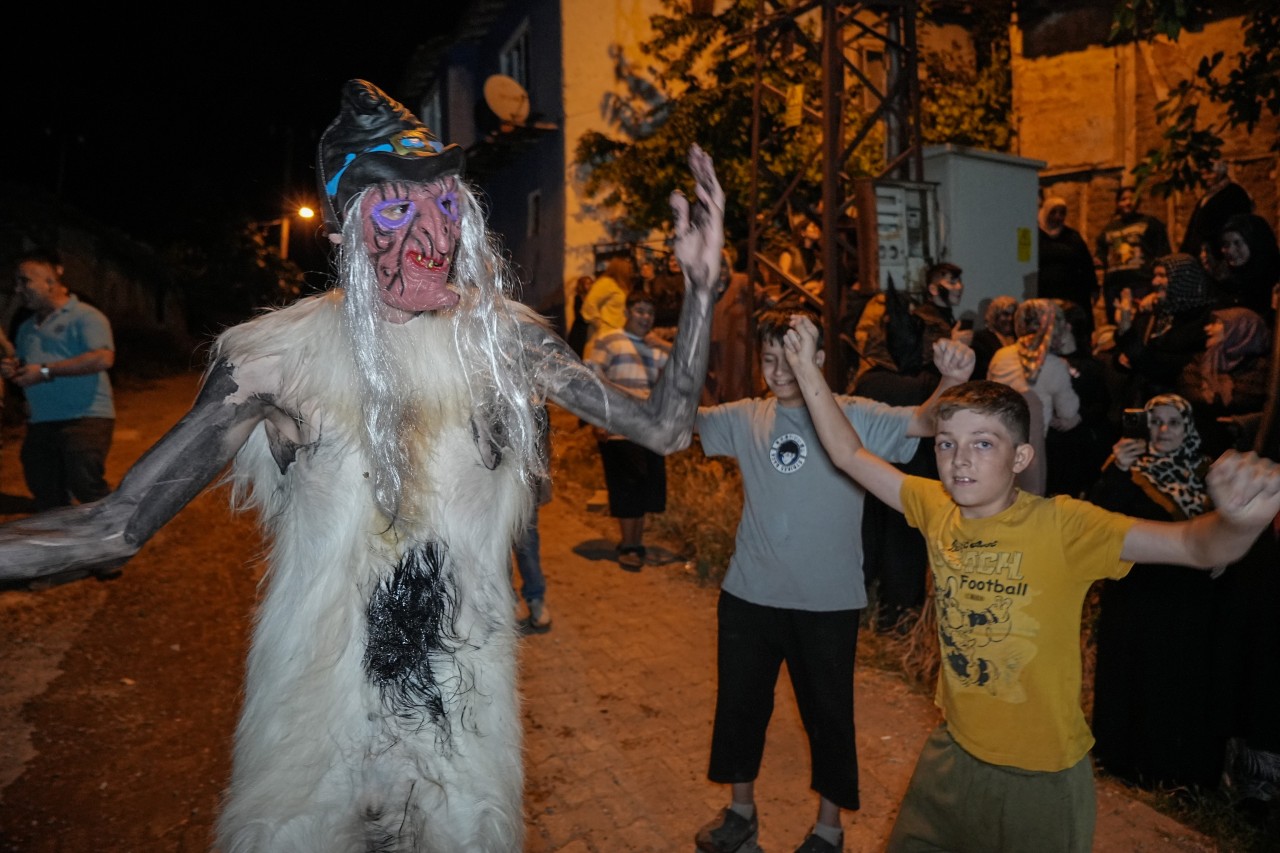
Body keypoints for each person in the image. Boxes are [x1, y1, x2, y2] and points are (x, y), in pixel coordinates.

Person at [0, 80, 727, 852]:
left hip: (461, 724)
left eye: (445, 206)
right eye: (396, 209)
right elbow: (114, 526)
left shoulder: (503, 343)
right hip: (314, 729)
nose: (432, 234)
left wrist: (703, 289)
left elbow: (664, 427)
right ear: (346, 230)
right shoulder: (275, 362)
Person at [780, 323, 1280, 853]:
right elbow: (848, 455)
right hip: (952, 755)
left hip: (1040, 779)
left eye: (983, 444)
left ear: (1021, 458)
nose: (960, 460)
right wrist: (808, 369)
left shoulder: (1065, 526)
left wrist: (1240, 522)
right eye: (947, 444)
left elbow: (1198, 548)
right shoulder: (936, 507)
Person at [691, 308, 973, 853]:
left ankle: (828, 829)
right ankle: (741, 811)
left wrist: (953, 381)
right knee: (739, 710)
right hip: (749, 595)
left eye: (791, 358)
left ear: (819, 361)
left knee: (829, 719)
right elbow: (680, 422)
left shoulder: (855, 416)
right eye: (768, 359)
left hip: (828, 601)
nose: (778, 371)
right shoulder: (746, 415)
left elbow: (925, 422)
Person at [1086, 394, 1224, 792]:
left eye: (1172, 423)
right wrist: (1116, 470)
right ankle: (1118, 762)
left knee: (1173, 682)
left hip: (1184, 603)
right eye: (1155, 422)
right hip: (1133, 596)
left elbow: (1226, 532)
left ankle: (1167, 773)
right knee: (1127, 675)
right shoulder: (1129, 468)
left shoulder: (1207, 474)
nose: (1162, 431)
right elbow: (1095, 519)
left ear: (1189, 428)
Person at [0, 247, 116, 512]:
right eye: (17, 281)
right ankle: (64, 548)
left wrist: (45, 371)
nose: (18, 289)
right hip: (41, 420)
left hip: (85, 417)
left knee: (85, 485)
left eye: (25, 281)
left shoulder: (86, 316)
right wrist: (13, 369)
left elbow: (102, 358)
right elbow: (25, 366)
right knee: (44, 488)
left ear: (50, 282)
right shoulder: (27, 327)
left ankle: (112, 539)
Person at [588, 289, 670, 570]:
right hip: (618, 428)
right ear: (626, 312)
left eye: (649, 313)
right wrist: (599, 420)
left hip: (648, 428)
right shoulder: (608, 342)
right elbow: (593, 382)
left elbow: (680, 370)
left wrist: (664, 344)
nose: (645, 318)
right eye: (640, 311)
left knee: (645, 488)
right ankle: (629, 544)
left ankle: (636, 542)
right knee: (626, 487)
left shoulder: (655, 348)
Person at [986, 298, 1081, 495]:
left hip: (993, 446)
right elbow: (1068, 412)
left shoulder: (1000, 356)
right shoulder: (1054, 365)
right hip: (1031, 455)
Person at [1112, 252, 1218, 410]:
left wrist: (1127, 333)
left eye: (1162, 275)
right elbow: (1127, 353)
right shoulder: (1156, 313)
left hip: (1174, 410)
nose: (1155, 282)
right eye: (1155, 276)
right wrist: (1121, 355)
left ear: (1182, 279)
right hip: (1142, 403)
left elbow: (1165, 367)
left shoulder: (1200, 319)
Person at [1094, 185, 1172, 324]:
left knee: (1142, 322)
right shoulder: (1109, 229)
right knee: (1117, 324)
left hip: (1141, 283)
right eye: (1123, 199)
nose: (1128, 203)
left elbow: (1163, 252)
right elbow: (1101, 254)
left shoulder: (1150, 223)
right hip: (1114, 286)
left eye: (1131, 199)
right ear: (1117, 203)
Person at [513, 405, 553, 635]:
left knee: (527, 543)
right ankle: (508, 602)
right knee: (496, 548)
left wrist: (544, 483)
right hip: (489, 489)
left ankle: (535, 600)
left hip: (524, 486)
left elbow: (543, 441)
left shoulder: (533, 400)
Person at [1178, 160, 1254, 269]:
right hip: (1202, 258)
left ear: (1221, 173)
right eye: (1203, 174)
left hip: (1219, 257)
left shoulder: (1234, 193)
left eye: (1210, 173)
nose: (1205, 178)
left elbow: (1236, 227)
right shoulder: (1208, 196)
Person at [1037, 196, 1097, 315]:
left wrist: (1093, 288)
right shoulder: (1033, 237)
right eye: (1053, 212)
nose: (1057, 217)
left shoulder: (1073, 237)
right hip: (1043, 295)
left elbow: (1086, 265)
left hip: (1072, 296)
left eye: (1062, 213)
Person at [1217, 212, 1280, 326]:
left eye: (1237, 243)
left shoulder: (1273, 281)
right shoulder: (1227, 284)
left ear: (1255, 243)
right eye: (1226, 244)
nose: (1230, 251)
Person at [580, 255, 634, 359]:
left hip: (619, 334)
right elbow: (589, 305)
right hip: (605, 335)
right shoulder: (606, 283)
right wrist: (600, 324)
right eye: (628, 268)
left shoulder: (621, 286)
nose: (630, 272)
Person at [969, 295, 1017, 386]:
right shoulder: (981, 338)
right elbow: (980, 372)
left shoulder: (1018, 338)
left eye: (1014, 314)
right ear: (995, 316)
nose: (1010, 318)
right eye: (1005, 314)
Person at [565, 274, 595, 358]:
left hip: (589, 328)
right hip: (580, 328)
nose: (589, 285)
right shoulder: (578, 298)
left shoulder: (593, 298)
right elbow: (579, 314)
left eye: (590, 283)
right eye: (587, 283)